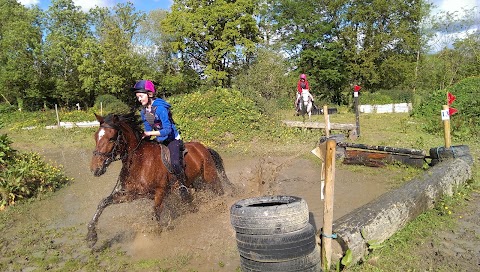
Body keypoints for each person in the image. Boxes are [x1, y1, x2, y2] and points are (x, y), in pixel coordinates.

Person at [132, 80, 189, 198]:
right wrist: (145, 136)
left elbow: (167, 130)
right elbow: (148, 127)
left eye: (141, 96)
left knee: (175, 162)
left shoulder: (160, 108)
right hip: (159, 140)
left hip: (172, 139)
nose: (139, 99)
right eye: (138, 97)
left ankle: (183, 186)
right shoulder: (144, 112)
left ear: (150, 94)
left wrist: (150, 133)